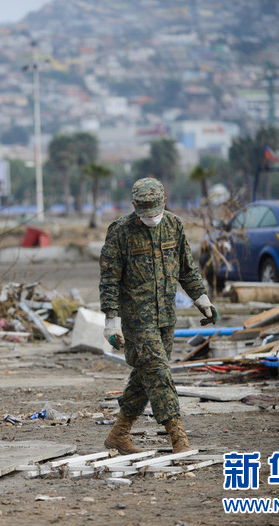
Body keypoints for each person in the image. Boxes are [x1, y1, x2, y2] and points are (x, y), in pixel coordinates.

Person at [99, 177, 218, 454]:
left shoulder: (174, 226)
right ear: (134, 207)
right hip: (137, 320)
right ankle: (178, 436)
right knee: (160, 373)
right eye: (145, 213)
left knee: (146, 374)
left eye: (156, 211)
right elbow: (109, 281)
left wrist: (203, 301)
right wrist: (111, 322)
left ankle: (119, 433)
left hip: (166, 316)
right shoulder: (120, 232)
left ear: (164, 202)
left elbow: (186, 270)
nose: (152, 218)